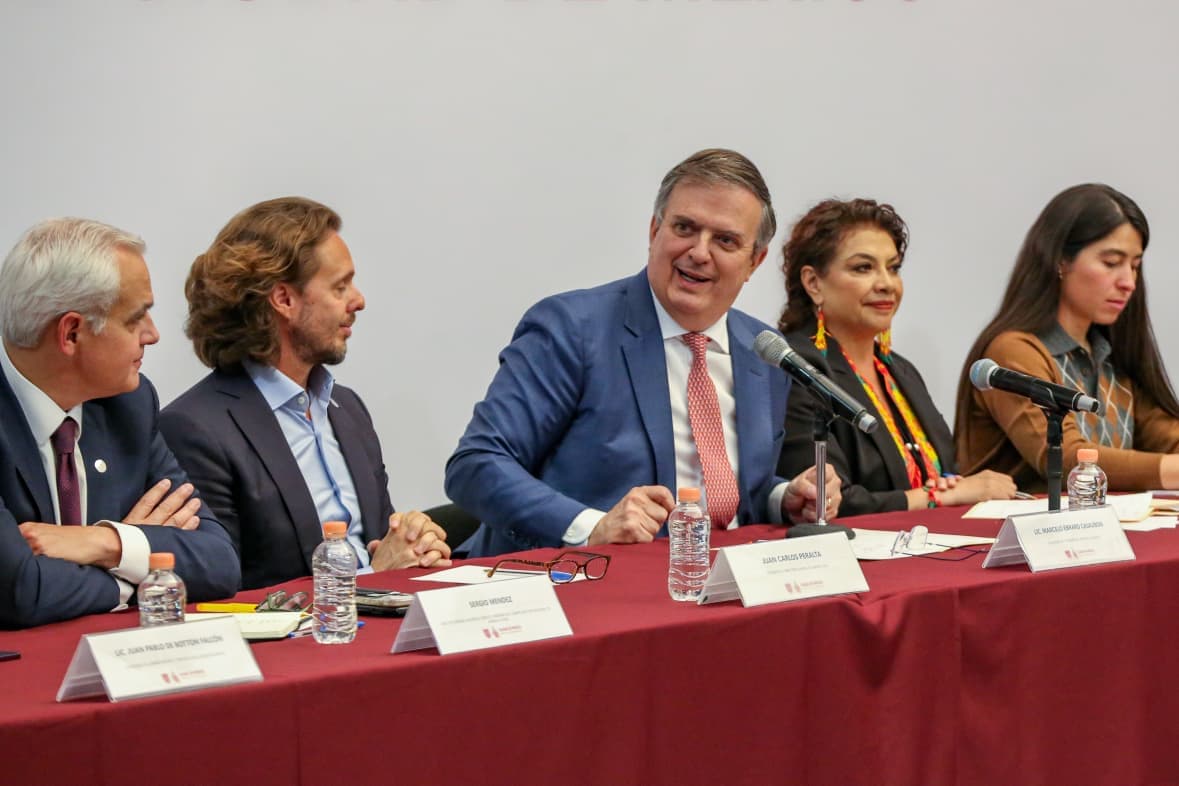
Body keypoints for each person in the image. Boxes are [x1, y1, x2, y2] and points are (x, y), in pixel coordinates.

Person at [445, 148, 841, 559]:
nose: (699, 252)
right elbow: (476, 465)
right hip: (583, 578)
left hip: (718, 576)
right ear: (654, 231)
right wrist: (592, 527)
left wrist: (782, 498)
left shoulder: (762, 349)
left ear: (754, 261)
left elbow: (722, 488)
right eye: (685, 228)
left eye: (725, 240)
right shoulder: (572, 328)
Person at [160, 198, 451, 591]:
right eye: (340, 287)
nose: (358, 301)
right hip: (299, 631)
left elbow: (379, 543)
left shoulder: (347, 408)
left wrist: (414, 543)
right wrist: (374, 578)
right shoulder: (196, 428)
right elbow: (217, 588)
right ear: (284, 300)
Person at [0, 218, 239, 628]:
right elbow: (19, 591)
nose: (153, 334)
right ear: (71, 333)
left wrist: (104, 541)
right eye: (135, 319)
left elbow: (219, 562)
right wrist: (136, 572)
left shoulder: (129, 406)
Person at [775, 198, 1016, 516]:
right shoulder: (797, 368)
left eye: (893, 268)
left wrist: (947, 488)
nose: (886, 284)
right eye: (863, 268)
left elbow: (945, 472)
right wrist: (939, 497)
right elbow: (827, 501)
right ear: (813, 283)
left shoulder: (901, 370)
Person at [955, 183, 1179, 491]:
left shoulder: (1112, 354)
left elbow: (1167, 436)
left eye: (1135, 266)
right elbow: (1066, 457)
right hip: (1021, 521)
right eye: (1111, 263)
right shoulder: (1012, 351)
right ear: (1060, 261)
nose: (1128, 282)